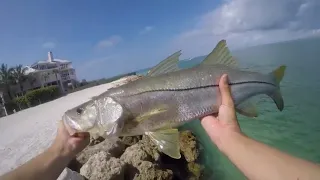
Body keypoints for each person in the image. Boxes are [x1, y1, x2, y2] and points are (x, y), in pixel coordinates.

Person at [1, 74, 320, 180]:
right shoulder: (123, 119)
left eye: (84, 110)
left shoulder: (124, 112)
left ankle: (268, 83)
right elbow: (161, 132)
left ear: (107, 106)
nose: (77, 116)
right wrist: (231, 139)